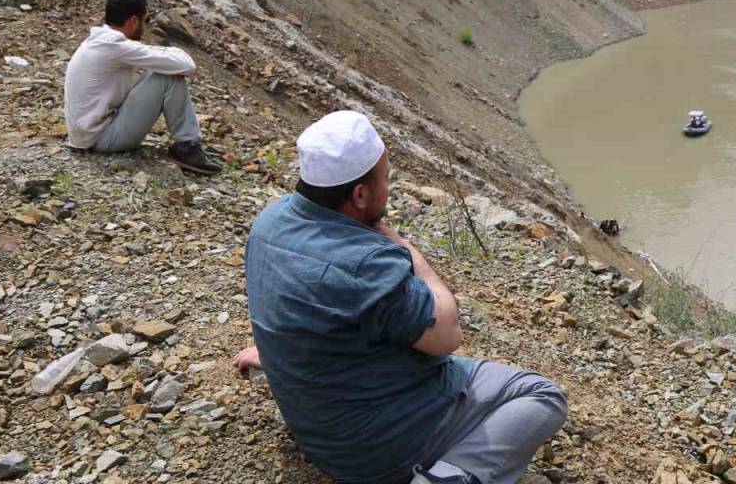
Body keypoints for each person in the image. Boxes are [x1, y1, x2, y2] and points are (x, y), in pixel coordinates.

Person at [233, 111, 566, 484]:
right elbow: (447, 337)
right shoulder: (366, 263)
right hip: (380, 451)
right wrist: (409, 253)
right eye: (386, 180)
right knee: (541, 395)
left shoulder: (270, 223)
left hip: (319, 434)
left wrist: (277, 352)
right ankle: (449, 477)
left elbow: (302, 304)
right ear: (360, 194)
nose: (389, 189)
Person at [63, 0, 220, 174]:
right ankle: (187, 146)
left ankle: (188, 144)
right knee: (167, 76)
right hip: (100, 139)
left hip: (87, 134)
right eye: (144, 21)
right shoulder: (115, 46)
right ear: (134, 21)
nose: (144, 28)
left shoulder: (101, 41)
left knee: (158, 69)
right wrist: (172, 51)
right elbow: (187, 65)